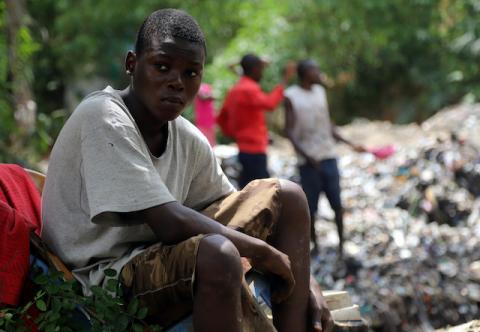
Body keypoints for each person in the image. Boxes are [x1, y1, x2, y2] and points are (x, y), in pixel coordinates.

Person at [41, 9, 332, 332]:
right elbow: (169, 223)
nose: (176, 83)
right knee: (218, 254)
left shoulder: (185, 135)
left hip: (153, 258)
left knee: (288, 197)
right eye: (162, 67)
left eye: (191, 73)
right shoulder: (103, 117)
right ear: (131, 64)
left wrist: (307, 281)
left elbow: (241, 211)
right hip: (103, 280)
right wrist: (263, 253)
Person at [284, 59, 365, 256]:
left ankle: (341, 245)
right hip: (309, 162)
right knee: (310, 208)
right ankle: (315, 246)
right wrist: (307, 156)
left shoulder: (320, 93)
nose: (319, 73)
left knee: (337, 204)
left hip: (328, 156)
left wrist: (350, 143)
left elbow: (328, 125)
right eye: (315, 70)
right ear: (304, 74)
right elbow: (289, 131)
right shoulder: (291, 96)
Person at [217, 54, 295, 188]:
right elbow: (270, 104)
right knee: (262, 190)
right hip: (255, 149)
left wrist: (233, 133)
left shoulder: (235, 90)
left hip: (244, 147)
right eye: (261, 69)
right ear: (254, 69)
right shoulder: (249, 89)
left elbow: (221, 117)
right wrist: (285, 79)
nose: (262, 73)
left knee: (247, 187)